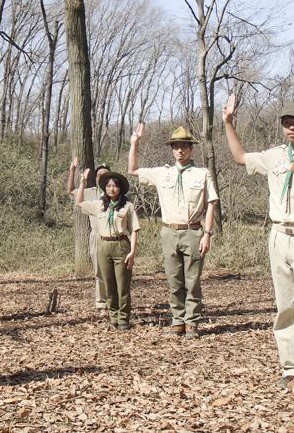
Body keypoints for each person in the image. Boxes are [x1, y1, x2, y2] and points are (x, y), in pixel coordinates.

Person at [223, 95, 294, 390]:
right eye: (287, 123)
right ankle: (290, 366)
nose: (291, 128)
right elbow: (240, 157)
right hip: (279, 237)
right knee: (287, 306)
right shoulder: (275, 155)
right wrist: (228, 122)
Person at [128, 125, 217, 339]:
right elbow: (133, 170)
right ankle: (177, 321)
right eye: (176, 147)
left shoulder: (202, 174)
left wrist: (208, 233)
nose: (180, 150)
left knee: (193, 280)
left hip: (193, 231)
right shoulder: (162, 173)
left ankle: (192, 323)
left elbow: (211, 203)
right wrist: (134, 143)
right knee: (174, 280)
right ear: (172, 150)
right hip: (169, 233)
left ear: (190, 149)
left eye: (184, 146)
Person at [76, 169, 140, 330]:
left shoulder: (127, 206)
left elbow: (134, 230)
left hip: (121, 245)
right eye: (108, 186)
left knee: (122, 284)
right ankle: (113, 316)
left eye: (115, 186)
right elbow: (79, 203)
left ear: (120, 189)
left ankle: (124, 318)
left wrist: (132, 251)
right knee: (109, 284)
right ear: (104, 188)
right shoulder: (100, 205)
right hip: (103, 246)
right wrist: (83, 183)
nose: (112, 189)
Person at [68, 158, 111, 316]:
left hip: (114, 237)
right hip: (96, 235)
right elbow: (71, 190)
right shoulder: (91, 191)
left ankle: (115, 302)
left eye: (105, 175)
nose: (102, 177)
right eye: (99, 175)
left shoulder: (116, 191)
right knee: (99, 271)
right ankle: (101, 303)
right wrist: (73, 171)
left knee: (115, 272)